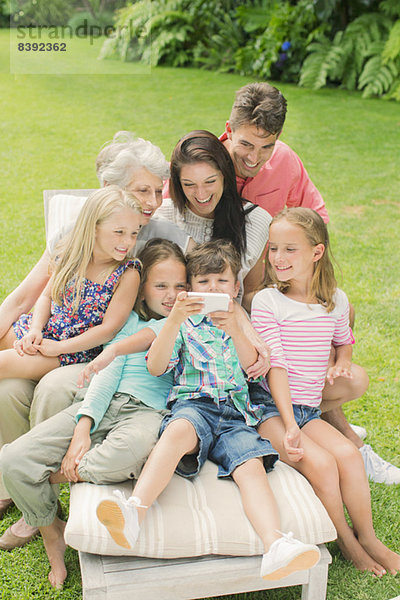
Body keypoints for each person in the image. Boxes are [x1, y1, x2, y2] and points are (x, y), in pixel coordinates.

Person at [0, 133, 192, 544]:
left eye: (158, 190)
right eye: (142, 190)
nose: (152, 200)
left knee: (51, 385)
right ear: (110, 192)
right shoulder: (76, 236)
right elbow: (29, 297)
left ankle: (42, 496)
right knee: (9, 389)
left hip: (105, 353)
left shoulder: (159, 241)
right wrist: (29, 330)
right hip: (53, 335)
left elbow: (172, 303)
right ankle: (16, 483)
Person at [96, 240, 321, 582]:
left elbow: (251, 368)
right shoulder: (182, 326)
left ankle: (275, 545)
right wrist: (173, 321)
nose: (213, 289)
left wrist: (235, 328)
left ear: (235, 288)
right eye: (203, 282)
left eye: (221, 282)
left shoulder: (240, 324)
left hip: (235, 416)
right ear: (190, 288)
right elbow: (157, 366)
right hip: (195, 406)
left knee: (251, 467)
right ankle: (133, 513)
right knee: (175, 434)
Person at [0, 239, 188, 588]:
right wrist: (84, 427)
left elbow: (161, 362)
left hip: (146, 413)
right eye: (161, 285)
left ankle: (49, 478)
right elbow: (108, 372)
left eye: (180, 286)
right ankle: (51, 532)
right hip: (104, 401)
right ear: (142, 289)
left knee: (124, 455)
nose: (171, 294)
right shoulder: (130, 321)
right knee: (11, 460)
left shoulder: (187, 325)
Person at [250, 207, 400, 576]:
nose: (278, 258)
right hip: (269, 409)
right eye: (274, 249)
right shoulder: (267, 302)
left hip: (305, 408)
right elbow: (277, 366)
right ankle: (347, 541)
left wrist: (341, 362)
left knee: (348, 455)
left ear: (317, 252)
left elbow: (343, 340)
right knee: (321, 463)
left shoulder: (335, 300)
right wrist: (289, 424)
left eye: (290, 249)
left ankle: (369, 537)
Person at [0, 185, 142, 381]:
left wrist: (59, 347)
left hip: (70, 351)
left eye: (134, 233)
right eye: (119, 232)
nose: (128, 241)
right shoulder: (70, 255)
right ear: (94, 228)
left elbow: (108, 329)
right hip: (41, 333)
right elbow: (47, 297)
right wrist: (34, 330)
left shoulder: (127, 273)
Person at [156, 130, 272, 305]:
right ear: (178, 184)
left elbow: (250, 292)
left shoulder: (256, 221)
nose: (201, 194)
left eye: (210, 182)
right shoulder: (161, 217)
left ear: (225, 176)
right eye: (189, 184)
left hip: (229, 326)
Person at [220, 81, 329, 222]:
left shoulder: (284, 158)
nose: (253, 159)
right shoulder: (201, 163)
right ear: (229, 130)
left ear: (278, 135)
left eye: (266, 147)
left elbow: (315, 217)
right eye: (246, 144)